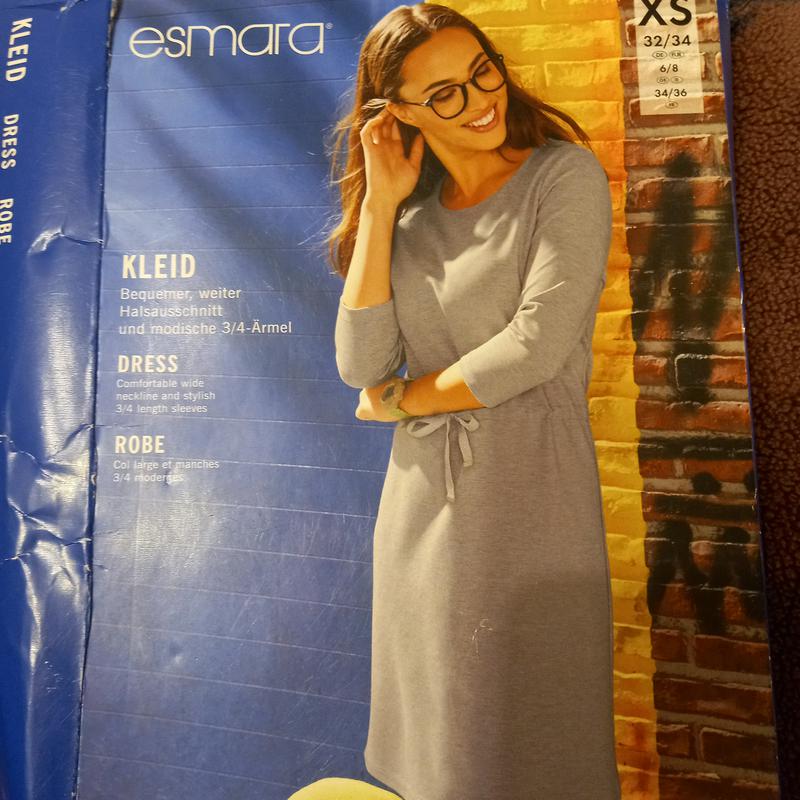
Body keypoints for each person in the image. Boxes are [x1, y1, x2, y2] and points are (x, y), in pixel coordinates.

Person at [326, 4, 620, 799]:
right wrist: (381, 207)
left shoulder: (562, 176)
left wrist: (403, 401)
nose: (480, 100)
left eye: (481, 71)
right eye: (444, 94)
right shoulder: (411, 219)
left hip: (531, 498)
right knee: (438, 755)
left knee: (537, 744)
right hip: (422, 512)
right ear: (398, 114)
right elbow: (360, 364)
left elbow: (537, 344)